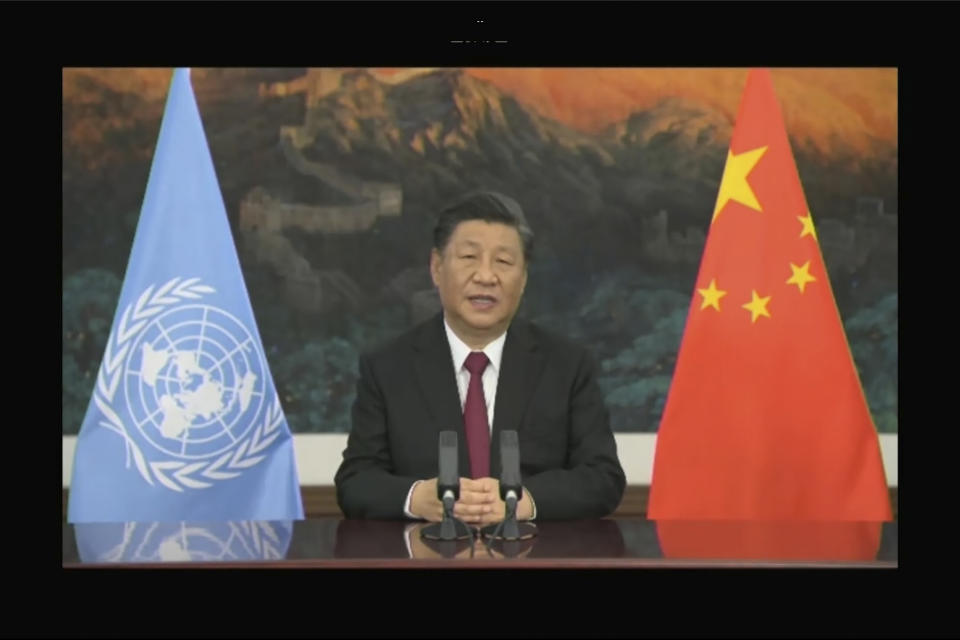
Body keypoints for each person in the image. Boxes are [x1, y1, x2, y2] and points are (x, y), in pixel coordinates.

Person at [334, 190, 625, 525]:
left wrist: (522, 501)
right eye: (469, 257)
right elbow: (355, 481)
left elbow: (603, 478)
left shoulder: (567, 366)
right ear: (436, 268)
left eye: (503, 262)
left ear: (524, 278)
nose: (486, 276)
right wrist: (417, 498)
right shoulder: (388, 368)